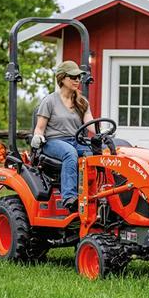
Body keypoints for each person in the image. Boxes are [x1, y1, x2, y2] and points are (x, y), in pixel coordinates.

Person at [31, 60, 94, 212]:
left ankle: (93, 195)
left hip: (75, 140)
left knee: (92, 154)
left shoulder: (81, 101)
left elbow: (90, 122)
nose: (77, 80)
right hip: (53, 142)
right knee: (69, 153)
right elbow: (40, 128)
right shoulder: (50, 101)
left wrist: (102, 133)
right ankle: (69, 197)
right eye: (73, 77)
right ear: (62, 78)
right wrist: (37, 137)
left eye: (79, 77)